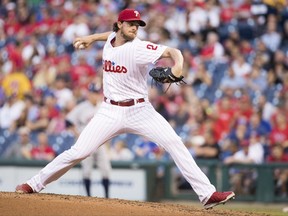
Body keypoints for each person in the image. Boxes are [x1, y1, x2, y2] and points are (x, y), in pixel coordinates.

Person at [15, 8, 235, 209]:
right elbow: (108, 36)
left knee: (174, 142)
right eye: (131, 23)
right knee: (79, 152)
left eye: (137, 24)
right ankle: (34, 184)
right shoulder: (112, 38)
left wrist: (178, 66)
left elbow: (173, 51)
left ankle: (207, 194)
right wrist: (91, 38)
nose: (135, 27)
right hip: (109, 111)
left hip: (140, 111)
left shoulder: (138, 48)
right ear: (119, 25)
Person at [65, 83, 111, 198]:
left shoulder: (103, 106)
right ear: (89, 94)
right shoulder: (81, 107)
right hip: (86, 143)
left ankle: (107, 197)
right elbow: (68, 121)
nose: (95, 96)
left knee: (106, 170)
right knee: (87, 171)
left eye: (97, 93)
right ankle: (88, 197)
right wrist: (78, 134)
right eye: (93, 93)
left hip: (100, 143)